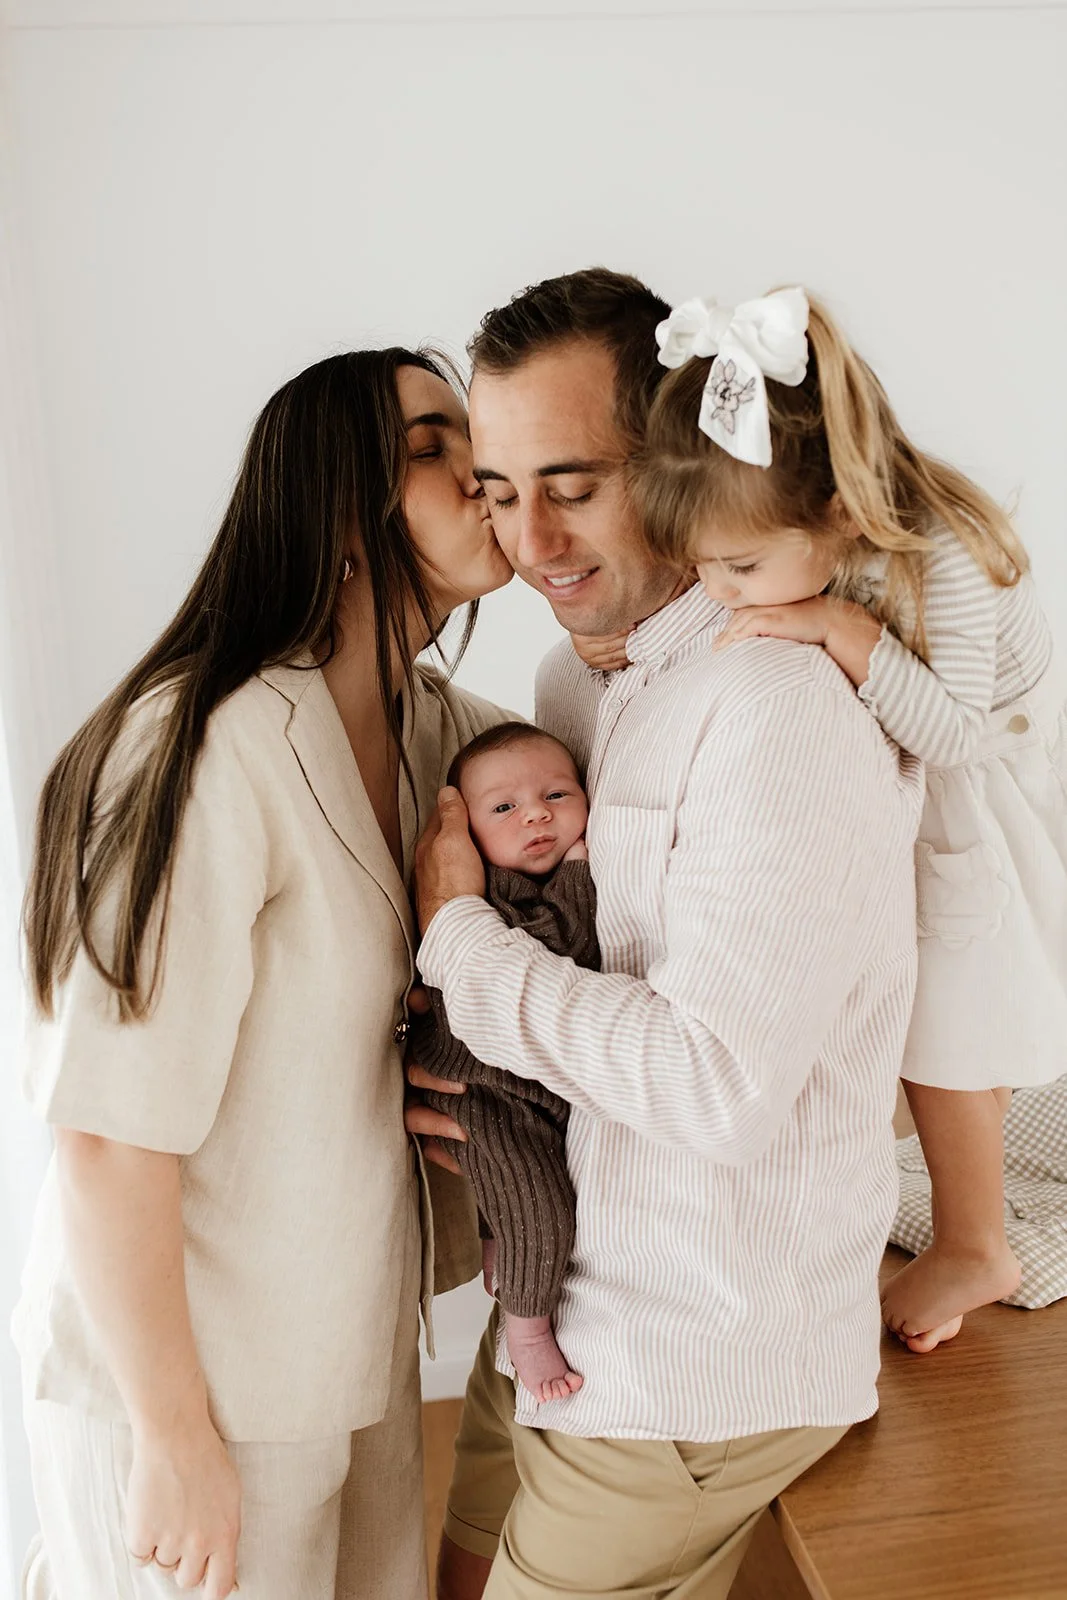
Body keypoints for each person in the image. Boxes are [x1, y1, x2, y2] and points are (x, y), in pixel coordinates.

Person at [407, 268, 925, 1600]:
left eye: (573, 485)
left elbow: (715, 1084)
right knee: (447, 1561)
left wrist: (460, 947)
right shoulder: (573, 691)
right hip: (565, 1287)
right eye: (499, 491)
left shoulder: (772, 709)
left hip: (686, 1358)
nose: (531, 541)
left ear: (679, 464)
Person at [13, 348, 513, 1600]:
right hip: (198, 1387)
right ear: (338, 508)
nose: (482, 475)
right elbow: (108, 1134)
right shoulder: (203, 747)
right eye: (430, 447)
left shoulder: (431, 730)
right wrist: (174, 1441)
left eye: (478, 440)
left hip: (349, 1348)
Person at [620, 285, 1064, 1351]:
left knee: (949, 1018)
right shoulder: (811, 533)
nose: (722, 592)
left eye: (735, 567)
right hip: (919, 786)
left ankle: (972, 1238)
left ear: (837, 517)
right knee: (884, 997)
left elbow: (955, 730)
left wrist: (831, 628)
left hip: (980, 800)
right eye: (700, 571)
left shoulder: (945, 545)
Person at [414, 721, 597, 1405]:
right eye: (504, 809)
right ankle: (526, 1329)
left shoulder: (517, 879)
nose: (537, 815)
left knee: (516, 1188)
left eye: (556, 793)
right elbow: (565, 950)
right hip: (479, 1089)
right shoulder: (490, 892)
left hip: (505, 1087)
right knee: (541, 1205)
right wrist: (579, 872)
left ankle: (502, 1246)